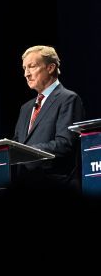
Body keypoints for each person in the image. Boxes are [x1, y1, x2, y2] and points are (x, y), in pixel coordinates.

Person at [13, 45, 85, 187]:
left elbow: (65, 144)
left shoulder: (68, 99)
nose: (26, 74)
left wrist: (26, 152)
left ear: (50, 68)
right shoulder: (26, 108)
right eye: (24, 68)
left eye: (32, 66)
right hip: (25, 187)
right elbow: (17, 144)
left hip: (56, 186)